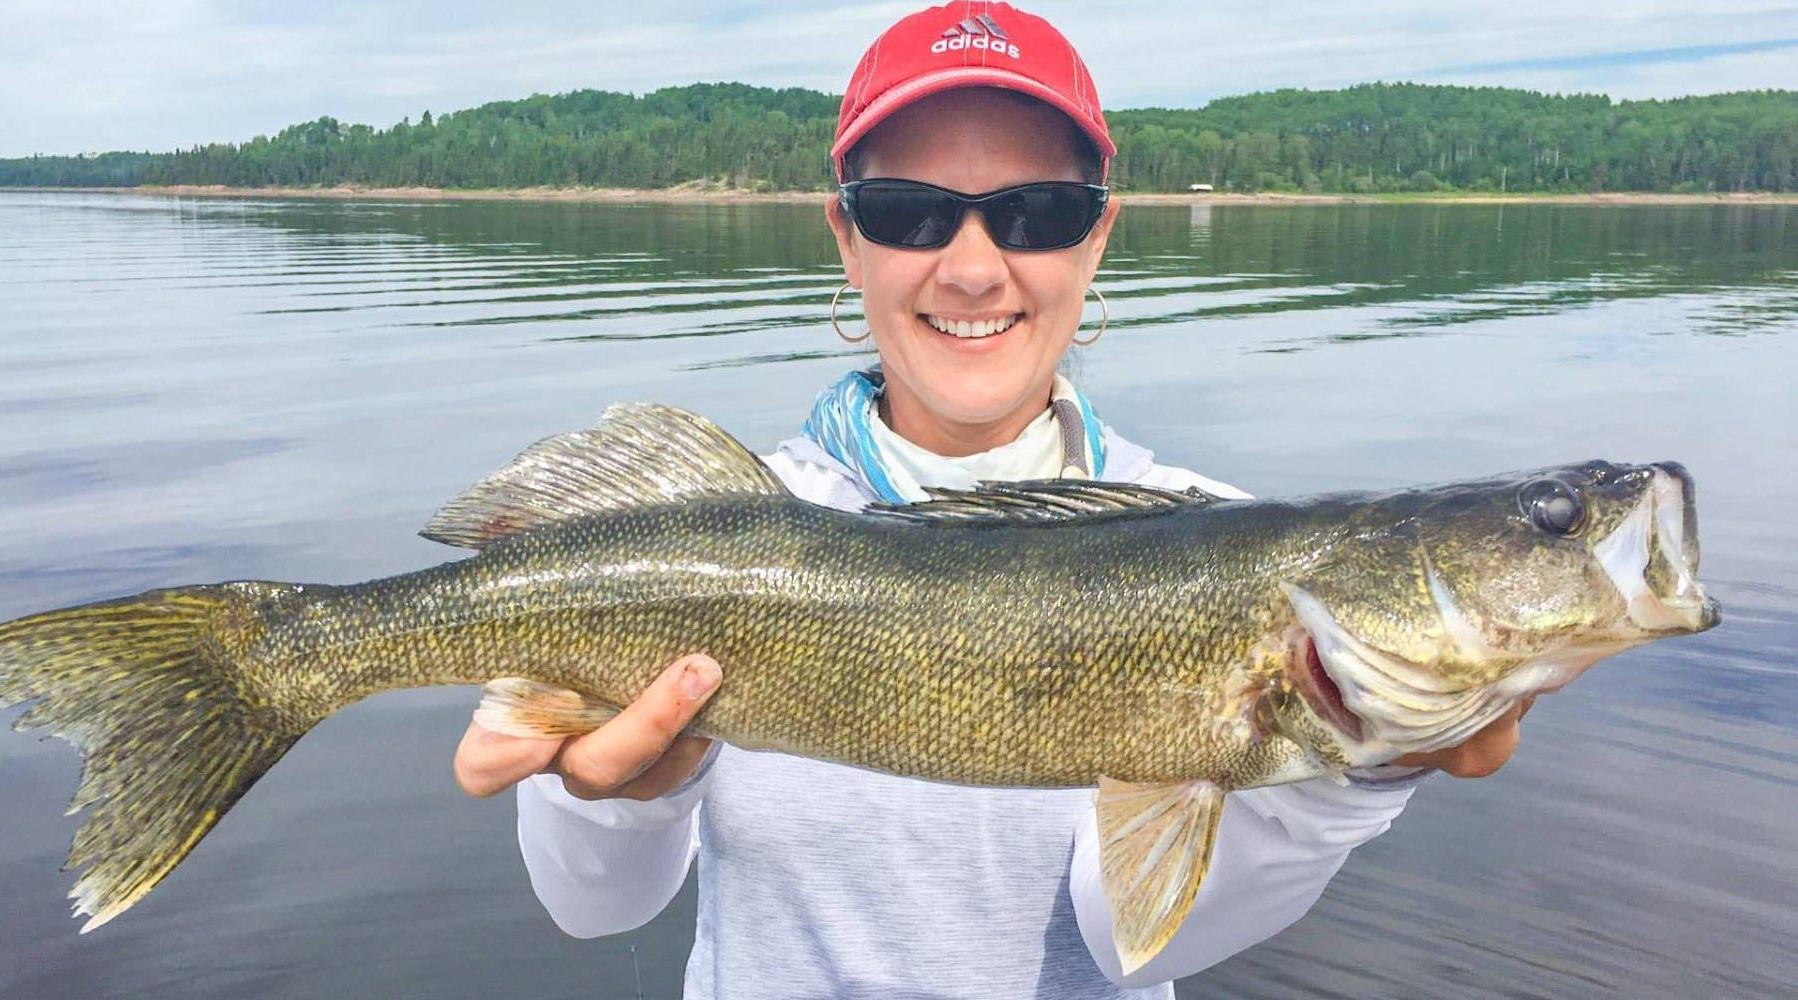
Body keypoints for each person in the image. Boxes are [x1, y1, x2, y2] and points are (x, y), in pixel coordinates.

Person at [454, 4, 1530, 996]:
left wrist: (1353, 766)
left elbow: (1135, 939)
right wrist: (617, 788)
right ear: (846, 237)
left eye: (1036, 212)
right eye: (909, 213)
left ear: (1098, 238)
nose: (973, 267)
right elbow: (593, 905)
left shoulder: (1212, 532)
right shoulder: (715, 534)